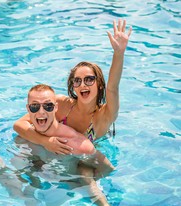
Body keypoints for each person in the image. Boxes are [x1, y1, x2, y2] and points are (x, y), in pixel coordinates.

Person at [11, 84, 116, 206]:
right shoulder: (26, 135)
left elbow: (108, 168)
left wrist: (84, 177)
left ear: (56, 108)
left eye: (48, 106)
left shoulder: (77, 144)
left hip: (74, 181)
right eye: (34, 106)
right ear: (28, 109)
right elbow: (18, 128)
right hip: (48, 177)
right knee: (18, 161)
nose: (41, 112)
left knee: (95, 194)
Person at [13, 19, 132, 154]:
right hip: (56, 151)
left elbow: (112, 88)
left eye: (89, 79)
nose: (82, 85)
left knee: (85, 171)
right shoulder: (61, 104)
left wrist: (118, 53)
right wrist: (45, 142)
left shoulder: (105, 115)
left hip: (87, 156)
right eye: (77, 81)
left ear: (99, 84)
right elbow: (19, 125)